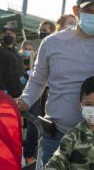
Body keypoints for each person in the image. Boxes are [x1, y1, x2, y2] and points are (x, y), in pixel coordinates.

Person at [16, 0, 94, 165]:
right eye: (88, 11)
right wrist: (25, 100)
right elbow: (38, 79)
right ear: (76, 11)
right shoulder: (52, 43)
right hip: (55, 137)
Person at [23, 22, 55, 164]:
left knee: (42, 126)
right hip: (38, 93)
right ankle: (31, 155)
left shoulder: (52, 46)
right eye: (41, 30)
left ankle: (35, 154)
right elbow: (38, 75)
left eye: (45, 30)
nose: (42, 32)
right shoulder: (41, 48)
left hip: (48, 94)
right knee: (33, 124)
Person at [0, 25, 24, 98]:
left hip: (19, 90)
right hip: (8, 92)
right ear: (2, 35)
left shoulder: (15, 50)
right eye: (6, 34)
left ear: (15, 36)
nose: (9, 35)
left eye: (11, 33)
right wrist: (3, 90)